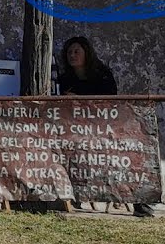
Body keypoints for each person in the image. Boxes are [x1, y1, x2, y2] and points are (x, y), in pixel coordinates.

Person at [57, 36, 154, 217]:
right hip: (76, 130)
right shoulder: (64, 79)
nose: (72, 55)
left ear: (87, 53)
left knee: (129, 154)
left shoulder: (102, 75)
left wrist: (79, 98)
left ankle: (141, 203)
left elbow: (110, 101)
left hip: (106, 129)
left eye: (77, 51)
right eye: (69, 52)